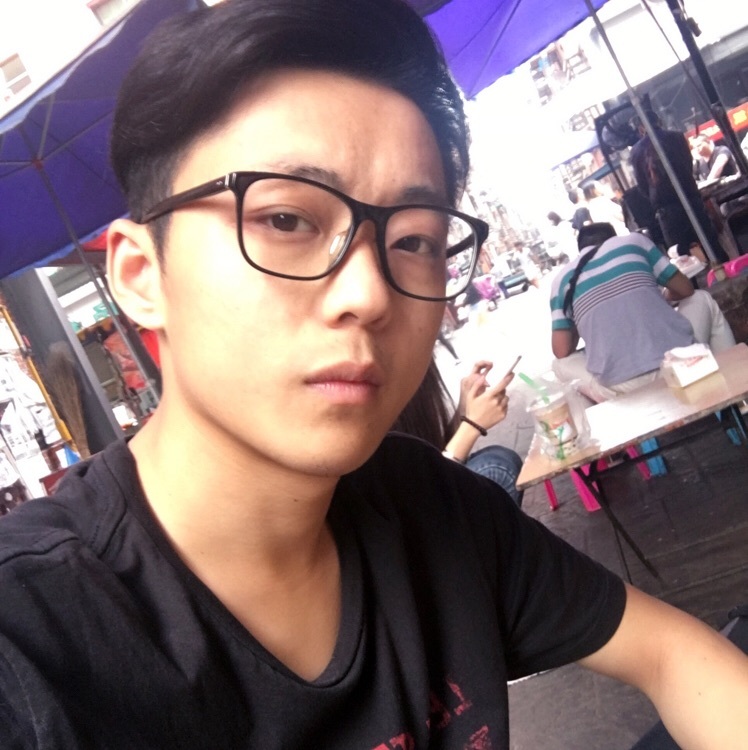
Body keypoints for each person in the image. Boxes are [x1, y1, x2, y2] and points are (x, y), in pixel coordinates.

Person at [1, 1, 747, 747]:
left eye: (416, 240)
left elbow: (671, 652)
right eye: (287, 220)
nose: (369, 293)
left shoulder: (431, 506)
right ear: (142, 276)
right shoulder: (31, 645)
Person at [551, 222, 736, 402]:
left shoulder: (562, 280)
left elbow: (561, 351)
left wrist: (577, 318)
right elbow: (686, 289)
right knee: (701, 298)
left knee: (560, 365)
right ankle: (735, 384)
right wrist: (662, 296)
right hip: (680, 363)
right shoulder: (634, 243)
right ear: (614, 238)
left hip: (620, 387)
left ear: (581, 249)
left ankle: (598, 419)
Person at [393, 358, 523, 505]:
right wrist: (472, 425)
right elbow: (424, 492)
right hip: (417, 510)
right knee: (497, 468)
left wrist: (464, 406)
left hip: (430, 490)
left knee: (501, 457)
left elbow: (435, 453)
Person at [630, 112, 730, 264]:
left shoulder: (636, 151)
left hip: (666, 208)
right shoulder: (677, 137)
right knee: (711, 244)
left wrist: (655, 193)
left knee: (681, 257)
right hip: (690, 197)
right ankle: (725, 269)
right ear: (659, 121)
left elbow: (642, 184)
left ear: (641, 128)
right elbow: (687, 165)